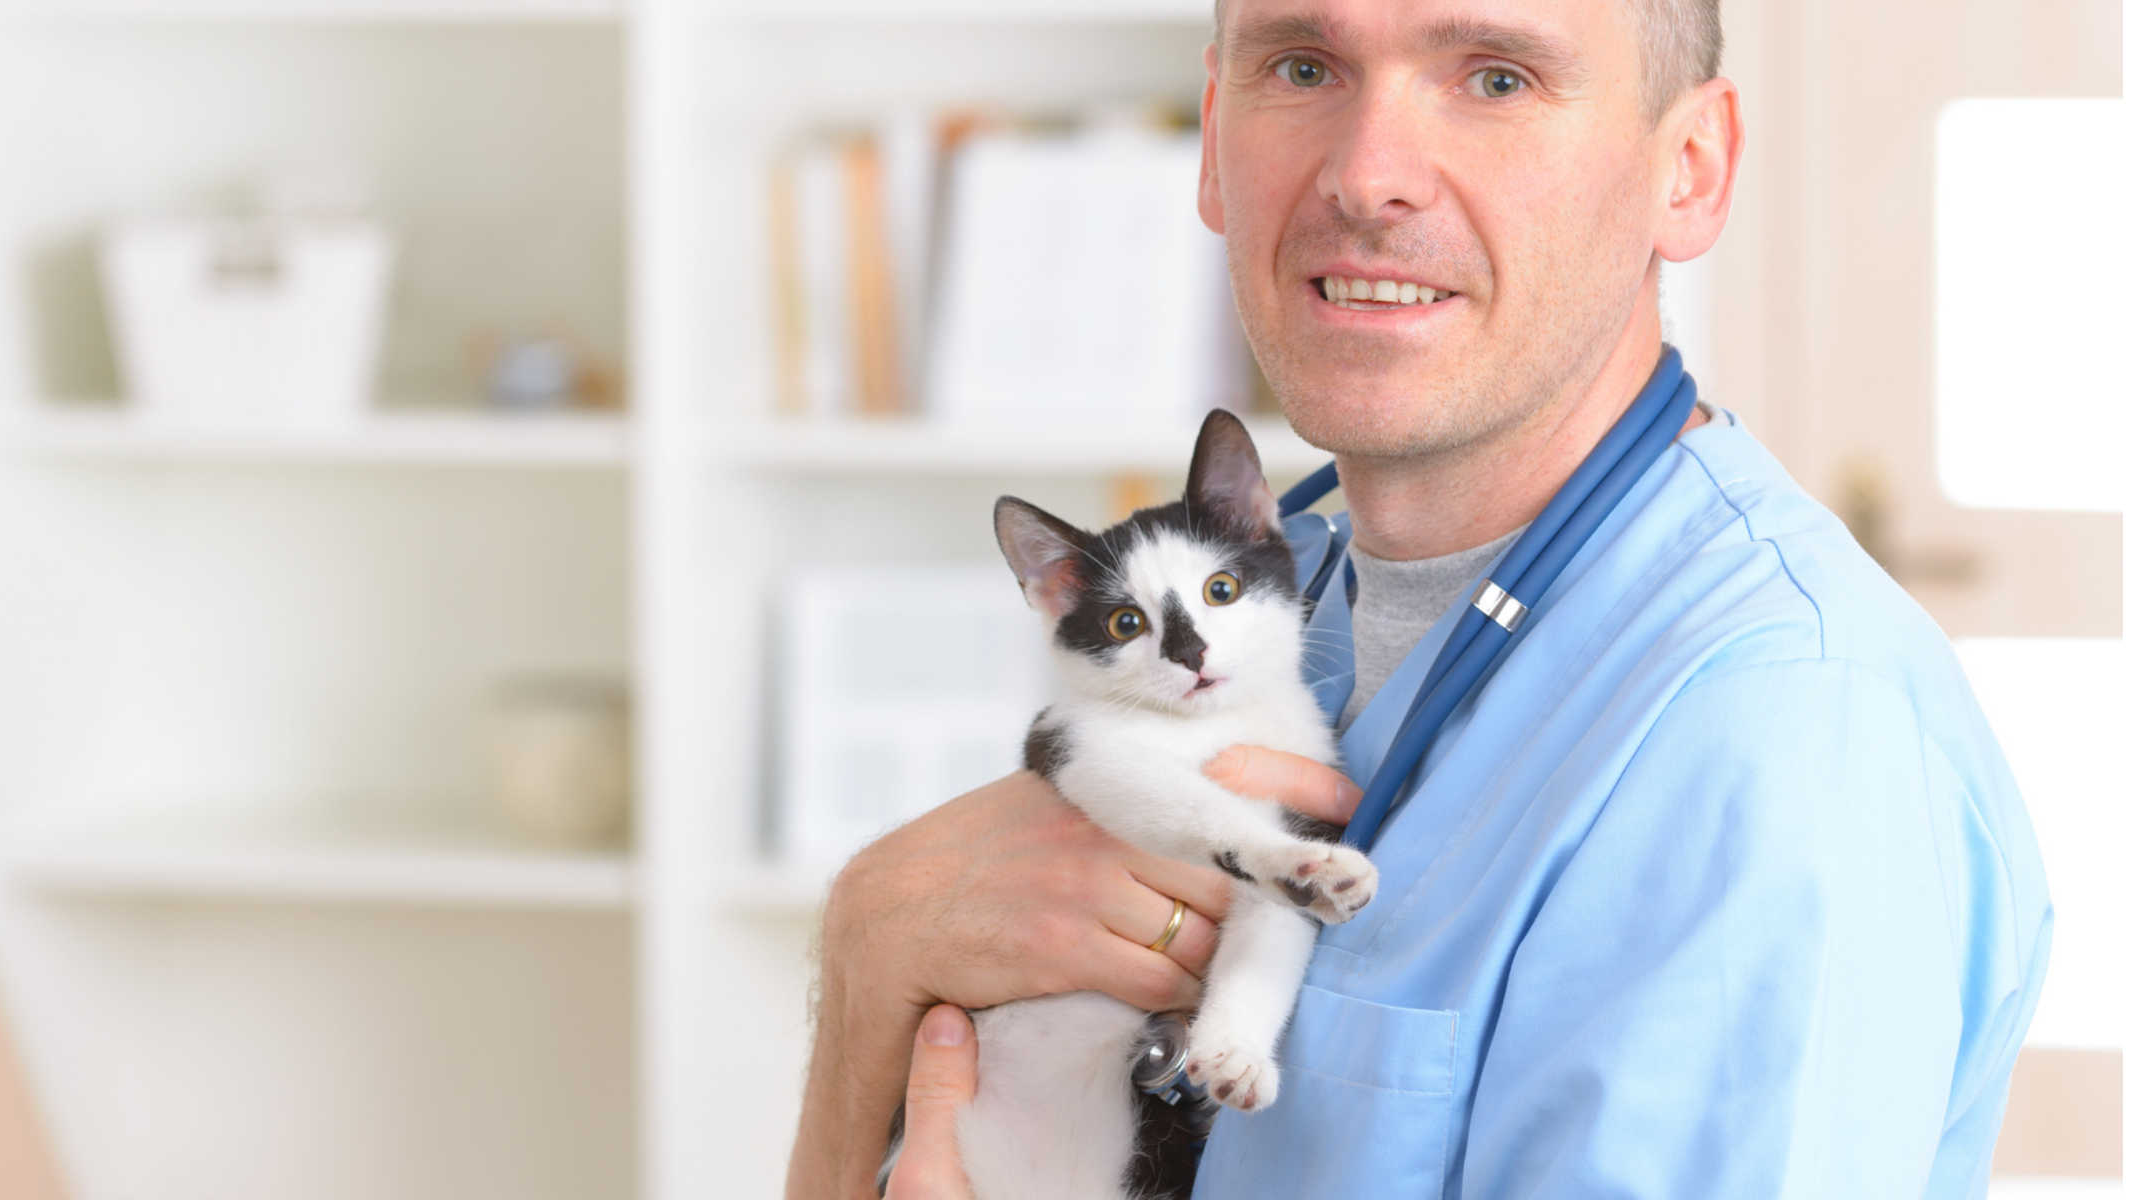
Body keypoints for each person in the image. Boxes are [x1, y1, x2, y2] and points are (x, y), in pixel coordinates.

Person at [787, 0, 2053, 1194]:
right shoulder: (1285, 591)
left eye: (1495, 76)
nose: (1366, 174)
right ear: (1216, 141)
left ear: (1692, 168)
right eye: (1302, 66)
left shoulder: (1775, 736)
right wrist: (872, 953)